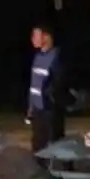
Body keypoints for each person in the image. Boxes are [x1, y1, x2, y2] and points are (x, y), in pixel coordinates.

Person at [26, 22, 71, 156]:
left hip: (50, 111)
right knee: (38, 146)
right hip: (38, 110)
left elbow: (59, 84)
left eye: (36, 35)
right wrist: (31, 108)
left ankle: (61, 168)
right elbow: (34, 86)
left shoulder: (56, 58)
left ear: (46, 37)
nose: (33, 39)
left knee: (55, 145)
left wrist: (53, 102)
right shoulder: (38, 57)